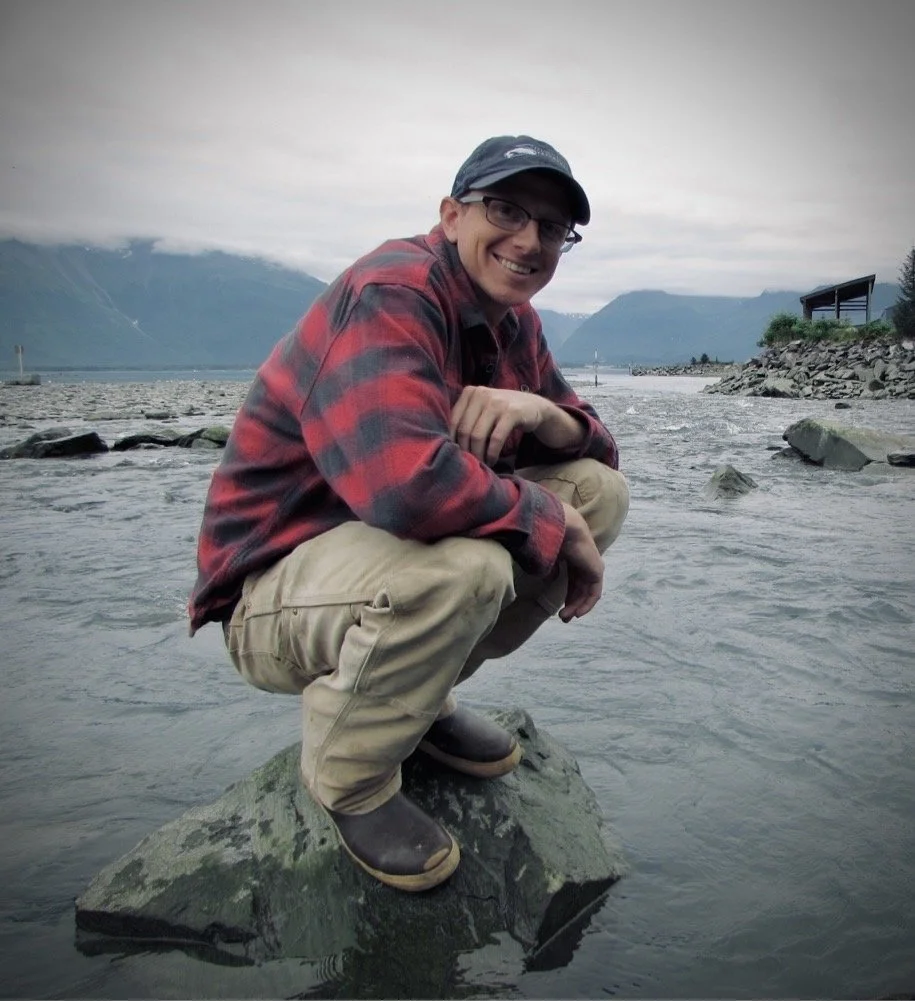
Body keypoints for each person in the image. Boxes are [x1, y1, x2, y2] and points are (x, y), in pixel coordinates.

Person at [188, 134, 629, 892]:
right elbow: (405, 489)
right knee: (471, 562)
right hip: (268, 592)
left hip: (364, 561)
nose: (528, 240)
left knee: (594, 492)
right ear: (451, 214)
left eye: (551, 227)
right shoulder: (394, 290)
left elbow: (593, 443)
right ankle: (348, 775)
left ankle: (412, 705)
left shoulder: (509, 315)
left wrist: (538, 411)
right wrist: (549, 523)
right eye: (505, 210)